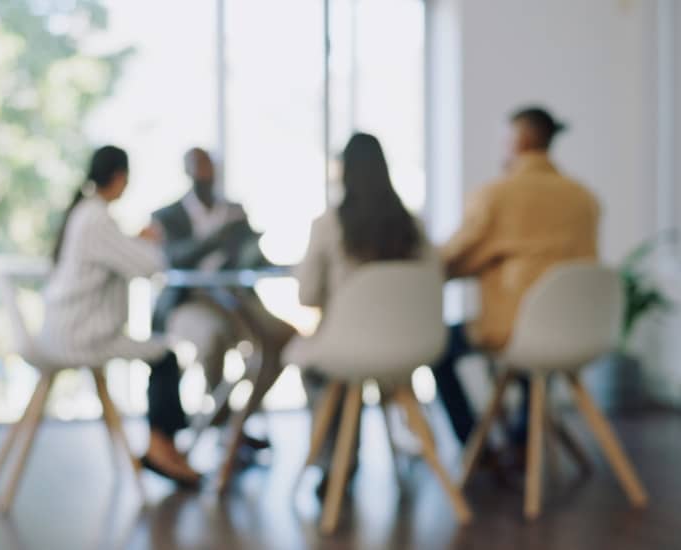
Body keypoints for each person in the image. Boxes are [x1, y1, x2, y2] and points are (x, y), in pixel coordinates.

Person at [432, 106, 600, 449]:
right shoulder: (583, 197)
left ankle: (475, 445)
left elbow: (454, 256)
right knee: (539, 326)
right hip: (578, 328)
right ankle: (524, 435)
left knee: (438, 347)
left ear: (520, 140)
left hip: (515, 330)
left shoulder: (498, 195)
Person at [39, 145, 200, 486]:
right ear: (120, 177)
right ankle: (161, 447)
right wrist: (150, 241)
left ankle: (166, 447)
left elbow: (113, 252)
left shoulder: (85, 213)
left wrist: (131, 239)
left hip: (65, 331)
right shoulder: (97, 218)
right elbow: (150, 266)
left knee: (161, 353)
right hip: (82, 337)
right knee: (164, 356)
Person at [286, 132, 435, 496]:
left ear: (344, 173)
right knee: (339, 365)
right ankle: (411, 449)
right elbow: (435, 279)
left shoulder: (329, 224)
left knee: (317, 370)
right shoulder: (414, 225)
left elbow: (307, 295)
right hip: (409, 350)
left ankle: (335, 461)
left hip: (348, 351)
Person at [151, 147, 295, 451]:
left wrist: (259, 250)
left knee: (283, 337)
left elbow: (250, 259)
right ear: (187, 172)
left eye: (209, 167)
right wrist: (217, 237)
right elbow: (172, 258)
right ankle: (220, 421)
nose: (205, 174)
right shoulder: (168, 216)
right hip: (190, 301)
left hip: (236, 298)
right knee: (212, 337)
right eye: (198, 168)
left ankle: (237, 420)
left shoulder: (235, 210)